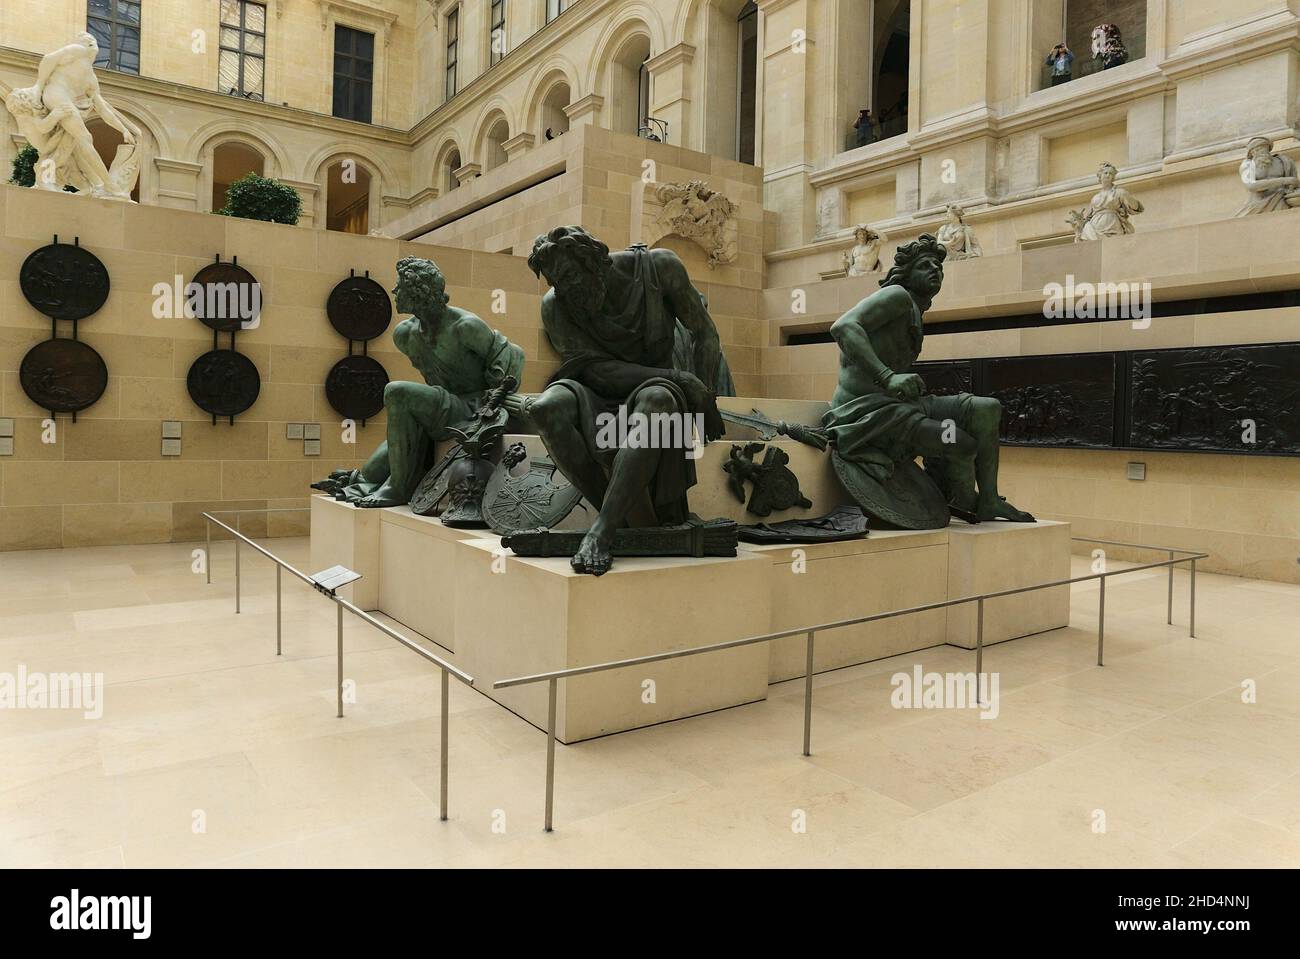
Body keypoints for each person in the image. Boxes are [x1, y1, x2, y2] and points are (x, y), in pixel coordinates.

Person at [523, 226, 726, 575]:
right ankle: (615, 516)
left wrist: (703, 395)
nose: (565, 288)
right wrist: (681, 377)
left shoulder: (659, 268)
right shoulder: (556, 306)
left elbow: (704, 330)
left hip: (653, 386)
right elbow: (597, 372)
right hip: (594, 387)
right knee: (544, 408)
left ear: (594, 261)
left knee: (659, 402)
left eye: (570, 275)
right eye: (556, 281)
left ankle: (602, 532)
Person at [823, 234, 1034, 523]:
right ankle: (961, 497)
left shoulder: (914, 309)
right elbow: (843, 327)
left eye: (939, 267)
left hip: (900, 405)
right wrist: (888, 377)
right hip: (865, 413)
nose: (935, 270)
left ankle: (989, 500)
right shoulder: (895, 295)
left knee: (987, 408)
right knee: (961, 444)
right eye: (925, 265)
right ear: (907, 274)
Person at [326, 257, 524, 508]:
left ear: (419, 292)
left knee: (397, 391)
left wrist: (496, 398)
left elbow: (514, 356)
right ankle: (366, 481)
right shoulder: (405, 335)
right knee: (371, 471)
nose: (395, 291)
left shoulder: (465, 326)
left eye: (401, 286)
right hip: (445, 404)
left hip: (474, 407)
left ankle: (398, 488)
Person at [6, 33, 140, 197]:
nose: (90, 40)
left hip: (64, 102)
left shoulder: (91, 79)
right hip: (57, 96)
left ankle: (94, 185)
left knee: (74, 145)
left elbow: (103, 109)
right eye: (85, 39)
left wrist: (123, 129)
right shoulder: (78, 51)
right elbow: (48, 59)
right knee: (85, 138)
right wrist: (38, 87)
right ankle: (109, 185)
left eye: (93, 40)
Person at [1075, 161, 1143, 240]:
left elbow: (1136, 207)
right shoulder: (1095, 197)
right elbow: (1089, 217)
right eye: (1105, 173)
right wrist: (1079, 221)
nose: (1108, 175)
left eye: (1110, 173)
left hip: (1112, 225)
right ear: (1100, 176)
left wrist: (1126, 196)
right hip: (1093, 227)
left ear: (1113, 177)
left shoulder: (1119, 192)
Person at [1235, 136, 1300, 216]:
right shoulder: (1247, 165)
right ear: (1251, 153)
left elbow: (1294, 184)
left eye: (1261, 149)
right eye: (1254, 151)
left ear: (1268, 149)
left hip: (1282, 200)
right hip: (1258, 204)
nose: (1257, 152)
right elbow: (1251, 186)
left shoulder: (1284, 161)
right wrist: (1284, 180)